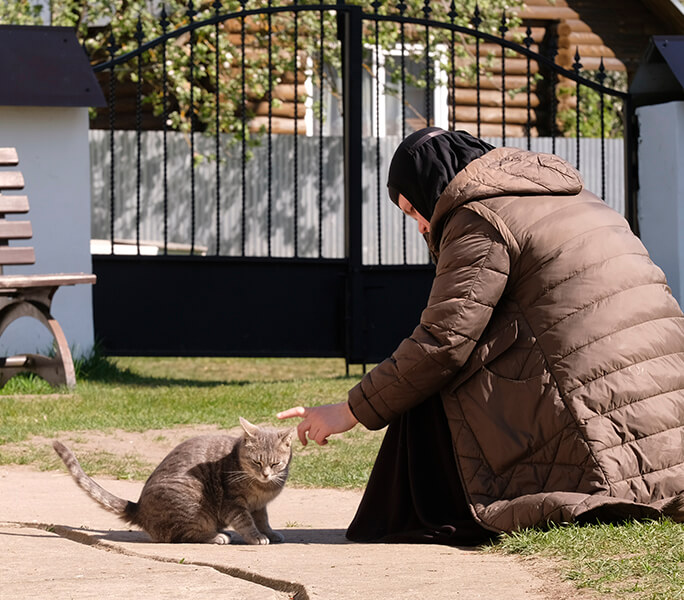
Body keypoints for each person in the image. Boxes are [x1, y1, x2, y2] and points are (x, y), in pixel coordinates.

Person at [278, 127, 684, 545]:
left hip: (602, 443)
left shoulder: (479, 215)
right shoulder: (575, 197)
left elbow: (442, 343)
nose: (419, 225)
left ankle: (418, 511)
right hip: (669, 431)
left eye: (412, 209)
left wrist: (348, 411)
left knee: (433, 374)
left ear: (431, 186)